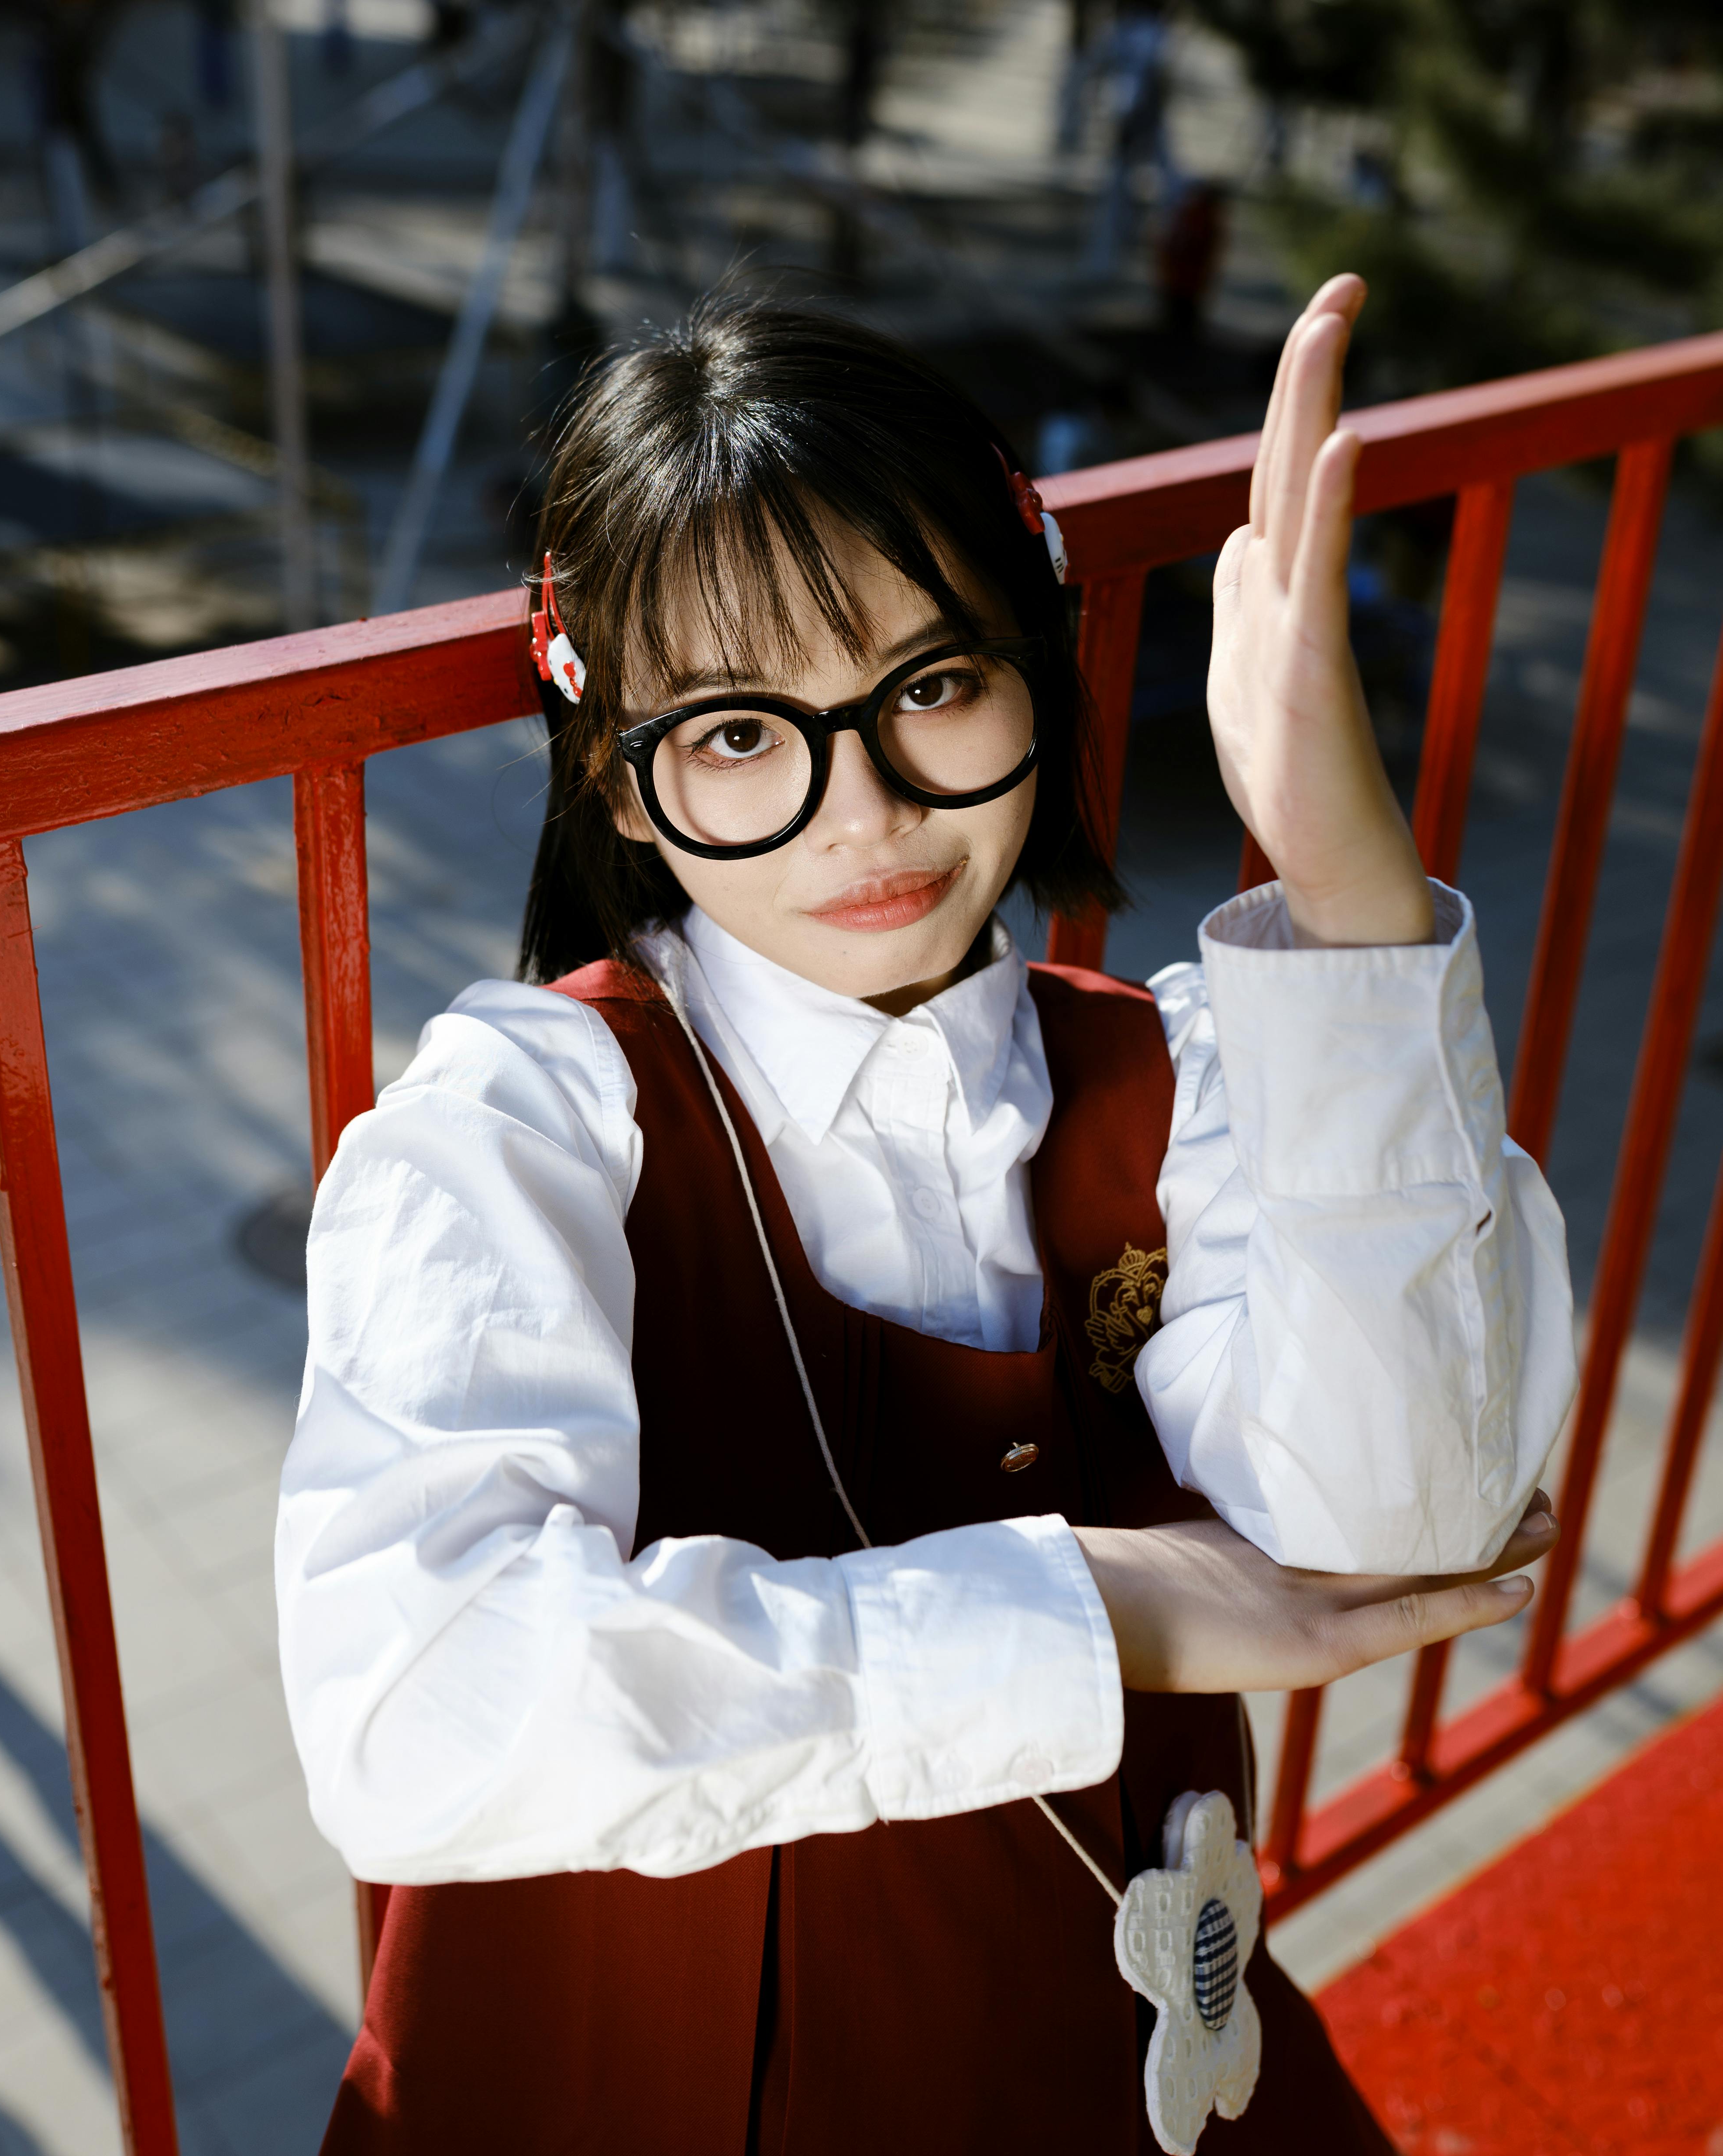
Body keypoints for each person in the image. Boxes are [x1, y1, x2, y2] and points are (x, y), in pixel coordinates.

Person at [279, 275, 1576, 2153]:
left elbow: (1400, 1521)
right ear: (616, 780)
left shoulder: (1175, 1073)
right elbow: (411, 1710)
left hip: (1109, 2065)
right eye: (738, 732)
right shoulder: (522, 1126)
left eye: (934, 686)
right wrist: (1103, 1604)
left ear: (1031, 676)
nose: (864, 809)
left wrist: (1347, 875)